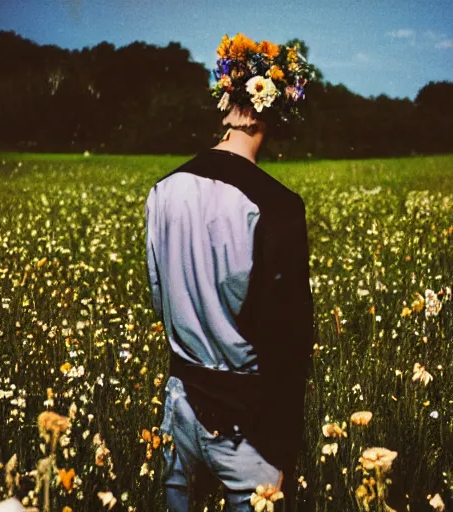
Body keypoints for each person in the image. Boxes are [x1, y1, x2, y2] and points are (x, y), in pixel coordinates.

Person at [145, 33, 316, 512]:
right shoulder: (278, 207)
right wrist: (281, 449)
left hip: (177, 406)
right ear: (275, 111)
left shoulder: (164, 191)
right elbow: (288, 339)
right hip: (246, 425)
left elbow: (160, 299)